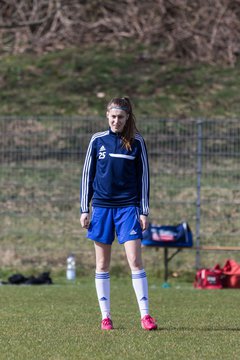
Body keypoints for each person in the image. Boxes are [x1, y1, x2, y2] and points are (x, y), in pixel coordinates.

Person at [80, 97, 157, 331]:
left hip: (128, 208)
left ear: (127, 118)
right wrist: (85, 208)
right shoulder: (97, 140)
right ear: (107, 116)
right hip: (102, 209)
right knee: (102, 264)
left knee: (135, 260)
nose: (116, 121)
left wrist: (143, 211)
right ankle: (106, 317)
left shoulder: (137, 142)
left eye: (121, 117)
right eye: (113, 117)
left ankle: (145, 316)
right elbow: (87, 176)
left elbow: (144, 178)